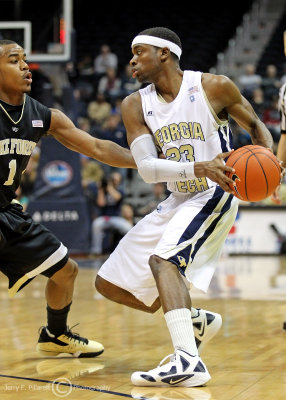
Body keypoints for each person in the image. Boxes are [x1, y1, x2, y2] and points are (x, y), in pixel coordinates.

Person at [95, 27, 274, 387]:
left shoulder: (213, 86)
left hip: (216, 190)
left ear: (164, 54)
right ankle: (194, 320)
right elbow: (146, 168)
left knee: (164, 261)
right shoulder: (134, 105)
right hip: (178, 196)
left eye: (139, 51)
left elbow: (257, 128)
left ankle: (187, 361)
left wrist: (267, 166)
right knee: (109, 284)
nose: (131, 59)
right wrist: (197, 166)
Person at [0, 39, 135, 358]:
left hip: (7, 212)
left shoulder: (42, 115)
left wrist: (147, 160)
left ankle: (55, 335)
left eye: (25, 60)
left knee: (66, 271)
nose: (24, 66)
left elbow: (98, 148)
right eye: (13, 60)